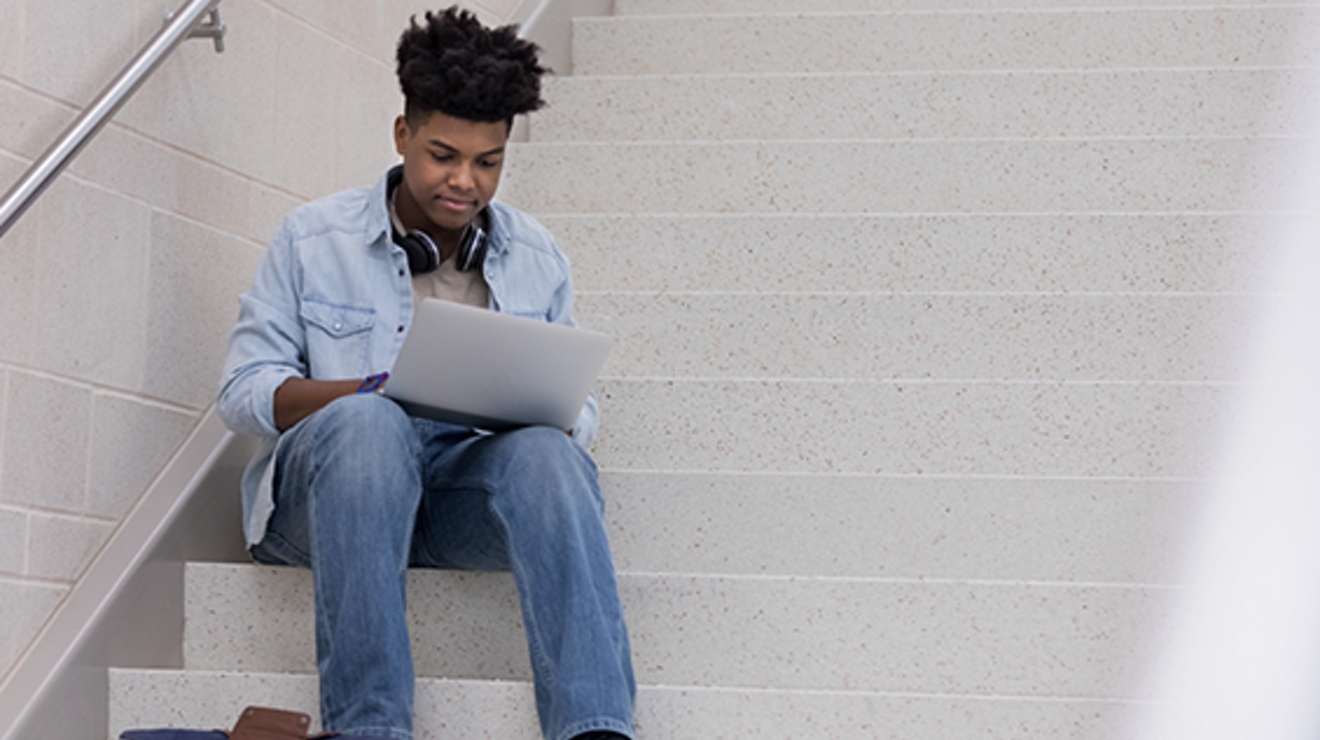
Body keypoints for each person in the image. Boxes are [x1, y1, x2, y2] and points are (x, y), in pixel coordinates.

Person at [216, 7, 636, 740]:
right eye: (444, 154)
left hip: (452, 504)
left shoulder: (536, 256)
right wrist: (370, 392)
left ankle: (596, 728)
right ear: (403, 134)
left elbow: (583, 413)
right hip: (326, 506)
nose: (464, 182)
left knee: (550, 454)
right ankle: (370, 728)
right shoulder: (315, 237)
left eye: (488, 162)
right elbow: (245, 393)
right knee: (371, 424)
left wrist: (546, 407)